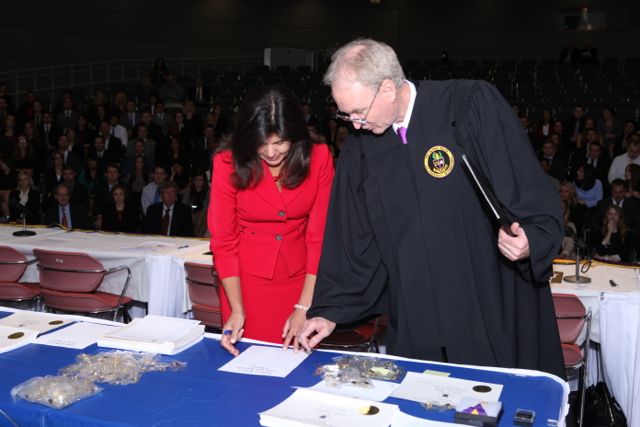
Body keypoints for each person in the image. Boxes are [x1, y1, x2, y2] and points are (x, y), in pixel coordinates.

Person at [297, 39, 564, 378]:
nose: (354, 123)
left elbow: (525, 185)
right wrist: (330, 310)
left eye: (359, 112)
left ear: (388, 89)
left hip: (484, 304)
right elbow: (353, 241)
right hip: (416, 315)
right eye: (345, 113)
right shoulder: (361, 151)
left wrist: (532, 238)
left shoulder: (467, 107)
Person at [208, 86, 334, 356]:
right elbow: (224, 241)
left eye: (280, 143)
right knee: (246, 368)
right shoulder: (227, 162)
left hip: (303, 281)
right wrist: (237, 309)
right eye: (262, 143)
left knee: (299, 364)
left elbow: (320, 237)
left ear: (296, 135)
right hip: (242, 284)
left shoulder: (319, 156)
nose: (271, 152)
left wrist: (304, 306)